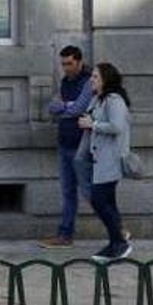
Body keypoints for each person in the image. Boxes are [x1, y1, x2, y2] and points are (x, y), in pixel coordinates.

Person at [78, 62, 135, 263]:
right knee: (106, 202)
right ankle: (114, 243)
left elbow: (117, 126)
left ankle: (120, 242)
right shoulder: (98, 99)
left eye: (95, 77)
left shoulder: (114, 100)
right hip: (98, 160)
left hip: (110, 160)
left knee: (100, 201)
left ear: (105, 80)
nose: (91, 80)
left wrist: (92, 124)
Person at [41, 45, 94, 248]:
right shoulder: (65, 81)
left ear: (79, 61)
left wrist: (66, 108)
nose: (66, 68)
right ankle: (65, 235)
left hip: (82, 145)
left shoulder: (89, 80)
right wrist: (67, 107)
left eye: (69, 63)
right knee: (68, 192)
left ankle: (116, 229)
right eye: (63, 64)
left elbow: (81, 109)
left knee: (89, 191)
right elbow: (53, 107)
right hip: (64, 142)